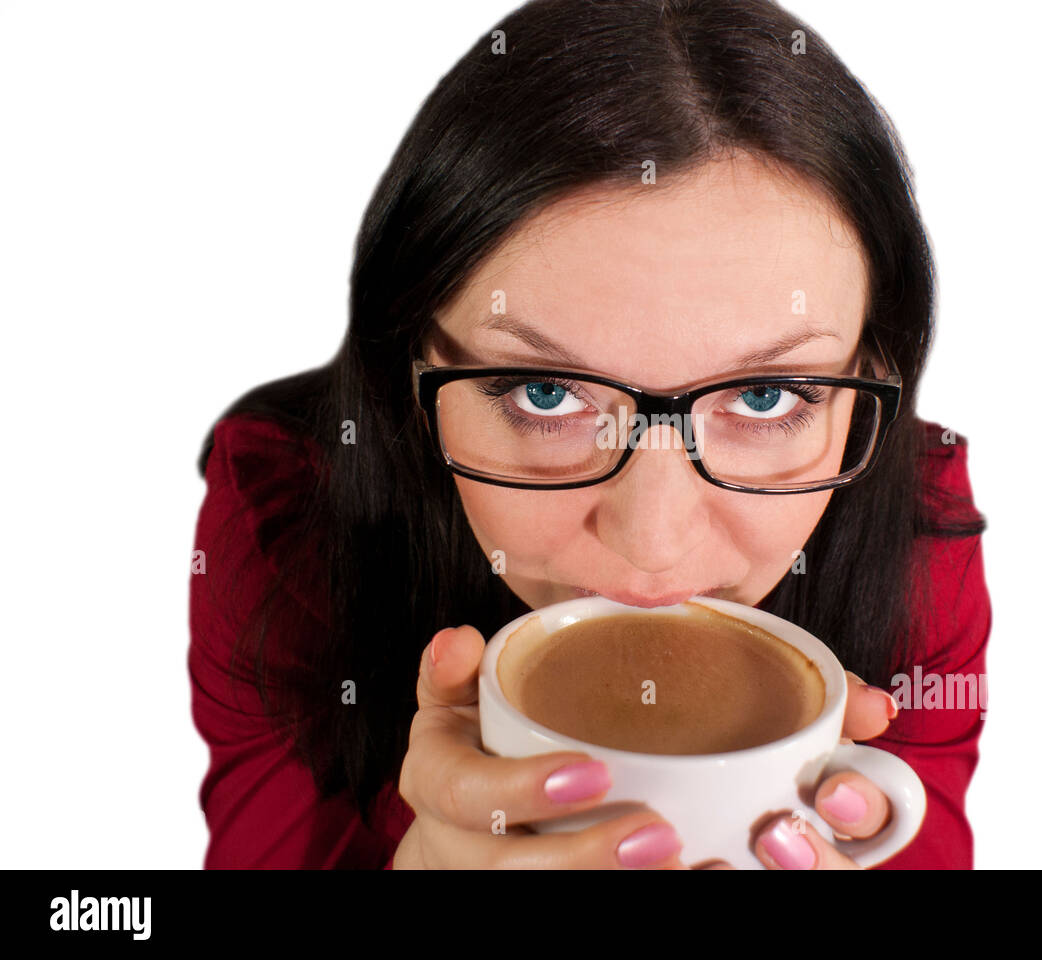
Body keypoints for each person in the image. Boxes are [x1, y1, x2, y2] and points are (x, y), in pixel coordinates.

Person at [189, 0, 990, 870]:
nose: (650, 544)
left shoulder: (920, 538)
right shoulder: (285, 516)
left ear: (869, 381)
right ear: (410, 371)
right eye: (544, 394)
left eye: (766, 397)